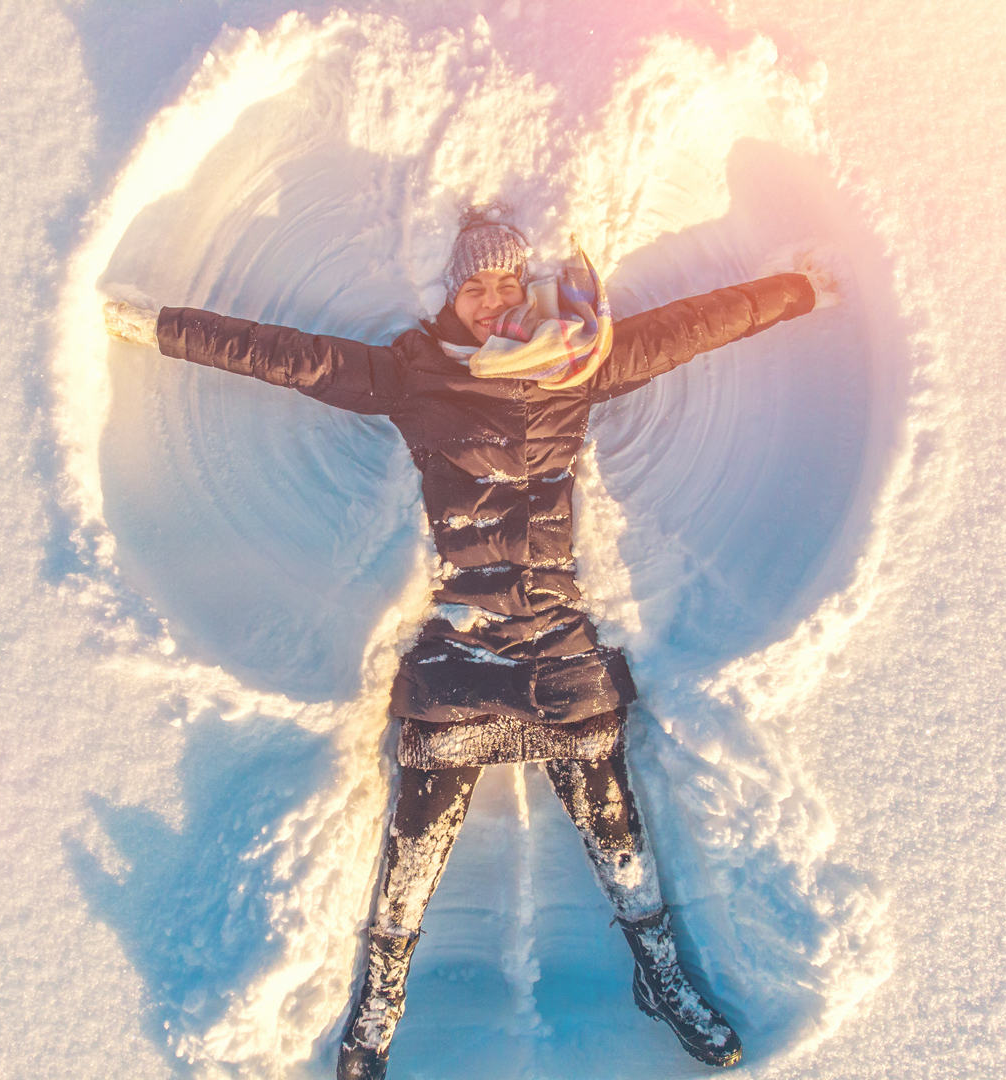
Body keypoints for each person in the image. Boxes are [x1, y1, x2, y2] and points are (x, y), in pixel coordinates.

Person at [104, 210, 825, 1075]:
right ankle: (375, 1013)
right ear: (453, 293)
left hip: (561, 650)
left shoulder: (577, 362)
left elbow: (691, 327)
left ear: (530, 291)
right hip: (463, 654)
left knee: (617, 830)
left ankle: (663, 979)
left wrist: (795, 290)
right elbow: (287, 355)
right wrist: (158, 327)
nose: (493, 302)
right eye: (477, 286)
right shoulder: (416, 379)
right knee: (414, 852)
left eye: (508, 286)